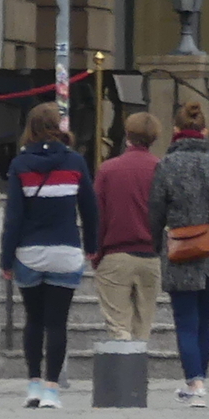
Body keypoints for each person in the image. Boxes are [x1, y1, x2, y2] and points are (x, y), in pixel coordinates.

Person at [0, 101, 98, 409]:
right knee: (57, 323)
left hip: (30, 251)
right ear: (60, 126)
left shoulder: (20, 165)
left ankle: (32, 384)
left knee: (34, 320)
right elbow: (90, 210)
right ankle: (52, 390)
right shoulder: (76, 162)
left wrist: (6, 259)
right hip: (66, 250)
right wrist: (93, 246)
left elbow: (13, 217)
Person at [147, 99, 209, 407]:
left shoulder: (166, 165)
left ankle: (194, 383)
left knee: (185, 320)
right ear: (206, 130)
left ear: (175, 131)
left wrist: (151, 243)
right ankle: (202, 380)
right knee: (205, 319)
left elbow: (156, 211)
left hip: (179, 250)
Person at [93, 111, 164, 348]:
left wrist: (96, 252)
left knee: (118, 327)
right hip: (151, 255)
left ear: (127, 135)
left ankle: (123, 379)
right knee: (143, 329)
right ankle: (137, 376)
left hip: (116, 254)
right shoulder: (160, 168)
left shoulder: (108, 169)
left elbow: (98, 216)